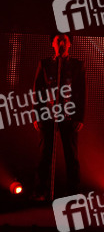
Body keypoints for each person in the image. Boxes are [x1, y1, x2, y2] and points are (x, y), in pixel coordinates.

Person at [33, 34, 86, 200]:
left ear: (69, 44)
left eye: (64, 41)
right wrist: (37, 115)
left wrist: (80, 117)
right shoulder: (45, 64)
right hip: (48, 114)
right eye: (58, 41)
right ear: (53, 44)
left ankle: (73, 192)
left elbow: (81, 92)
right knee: (45, 154)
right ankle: (42, 190)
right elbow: (37, 91)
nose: (61, 43)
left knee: (71, 155)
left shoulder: (77, 65)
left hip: (69, 115)